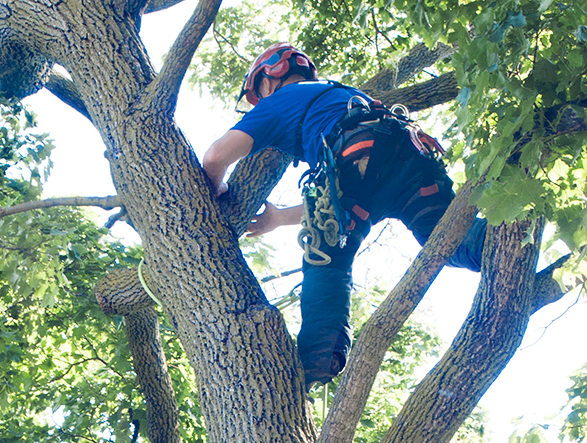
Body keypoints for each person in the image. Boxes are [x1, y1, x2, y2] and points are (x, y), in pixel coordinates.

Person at [203, 42, 486, 389]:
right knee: (451, 241)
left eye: (258, 93)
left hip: (360, 161)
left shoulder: (279, 101)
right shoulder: (340, 93)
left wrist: (214, 187)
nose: (259, 102)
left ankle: (318, 358)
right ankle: (503, 240)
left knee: (328, 259)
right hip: (409, 158)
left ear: (267, 78)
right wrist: (278, 219)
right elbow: (335, 201)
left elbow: (216, 156)